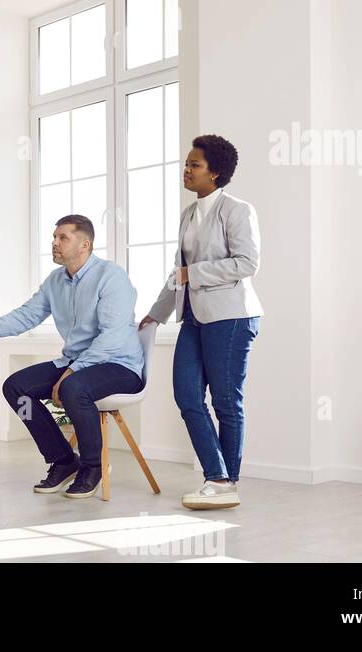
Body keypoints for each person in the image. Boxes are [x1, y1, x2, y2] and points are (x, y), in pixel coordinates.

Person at [0, 215, 144, 499]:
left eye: (63, 238)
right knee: (16, 389)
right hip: (75, 363)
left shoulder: (111, 277)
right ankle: (62, 460)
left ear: (85, 244)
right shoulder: (56, 280)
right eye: (54, 237)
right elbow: (28, 314)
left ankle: (93, 467)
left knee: (74, 388)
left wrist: (72, 373)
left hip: (119, 365)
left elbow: (112, 337)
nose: (54, 243)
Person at [140, 135, 262, 511]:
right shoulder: (188, 215)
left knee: (226, 402)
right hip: (192, 316)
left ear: (216, 172)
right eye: (187, 163)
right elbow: (179, 275)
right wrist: (156, 312)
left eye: (195, 165)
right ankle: (219, 475)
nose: (186, 170)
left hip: (232, 317)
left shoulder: (238, 210)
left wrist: (195, 272)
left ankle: (224, 481)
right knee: (188, 395)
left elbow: (247, 263)